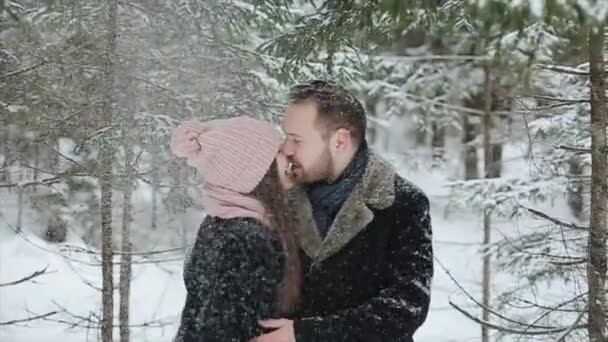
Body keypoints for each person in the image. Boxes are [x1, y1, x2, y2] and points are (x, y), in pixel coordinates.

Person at [253, 80, 434, 342]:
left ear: (340, 140)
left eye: (297, 139)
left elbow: (406, 307)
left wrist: (307, 335)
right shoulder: (280, 197)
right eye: (285, 137)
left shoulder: (404, 204)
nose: (286, 149)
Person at [170, 116, 301, 342]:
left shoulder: (222, 226)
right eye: (279, 151)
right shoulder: (244, 241)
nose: (289, 154)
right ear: (259, 173)